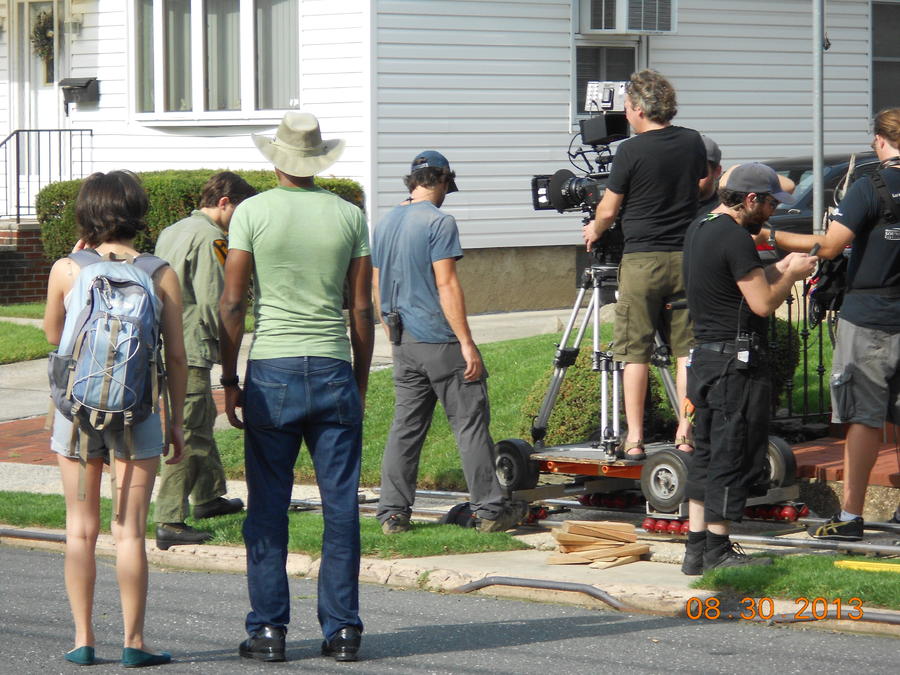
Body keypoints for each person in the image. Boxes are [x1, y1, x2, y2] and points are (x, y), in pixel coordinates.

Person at [219, 111, 373, 663]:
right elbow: (361, 309)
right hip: (332, 365)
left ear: (276, 159)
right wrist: (358, 379)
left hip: (274, 368)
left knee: (267, 506)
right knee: (341, 506)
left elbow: (233, 304)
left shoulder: (252, 212)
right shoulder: (349, 215)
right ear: (318, 160)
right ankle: (343, 630)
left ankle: (268, 630)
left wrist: (229, 377)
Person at [44, 171, 187, 667]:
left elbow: (53, 335)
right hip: (138, 412)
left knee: (80, 530)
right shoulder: (160, 273)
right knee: (129, 532)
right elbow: (177, 357)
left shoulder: (67, 269)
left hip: (76, 415)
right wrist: (175, 421)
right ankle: (133, 642)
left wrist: (76, 263)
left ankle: (83, 639)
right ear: (137, 213)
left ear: (87, 213)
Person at [757, 108, 900, 541]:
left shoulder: (869, 187)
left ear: (880, 141)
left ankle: (851, 517)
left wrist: (770, 236)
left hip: (870, 316)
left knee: (863, 418)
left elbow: (831, 246)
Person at [372, 151, 524, 535]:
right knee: (470, 424)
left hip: (403, 341)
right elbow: (447, 284)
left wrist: (388, 327)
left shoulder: (386, 222)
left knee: (405, 428)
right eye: (446, 186)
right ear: (440, 180)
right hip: (439, 340)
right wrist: (467, 343)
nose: (445, 195)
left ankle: (393, 514)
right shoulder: (439, 222)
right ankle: (490, 511)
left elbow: (375, 283)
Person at [681, 163, 816, 574]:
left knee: (705, 454)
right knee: (731, 452)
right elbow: (761, 303)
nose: (774, 210)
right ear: (751, 199)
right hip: (733, 366)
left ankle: (696, 549)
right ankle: (719, 551)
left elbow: (740, 287)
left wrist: (780, 267)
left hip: (706, 358)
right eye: (771, 203)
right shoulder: (736, 238)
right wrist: (792, 275)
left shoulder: (701, 227)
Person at [582, 69, 707, 459]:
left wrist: (594, 228)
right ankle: (685, 432)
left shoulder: (630, 151)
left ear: (638, 108)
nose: (625, 114)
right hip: (686, 256)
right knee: (686, 350)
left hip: (641, 260)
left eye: (626, 107)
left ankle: (635, 438)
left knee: (633, 351)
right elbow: (702, 183)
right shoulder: (692, 141)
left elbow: (608, 209)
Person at [153, 172, 256, 550]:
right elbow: (218, 302)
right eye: (241, 209)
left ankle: (209, 496)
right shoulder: (213, 238)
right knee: (191, 428)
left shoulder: (173, 230)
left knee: (199, 417)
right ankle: (169, 518)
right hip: (191, 345)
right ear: (225, 202)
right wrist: (228, 357)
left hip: (165, 341)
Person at [696, 136, 723, 217]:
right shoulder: (666, 207)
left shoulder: (724, 213)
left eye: (698, 170)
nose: (692, 176)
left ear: (717, 171)